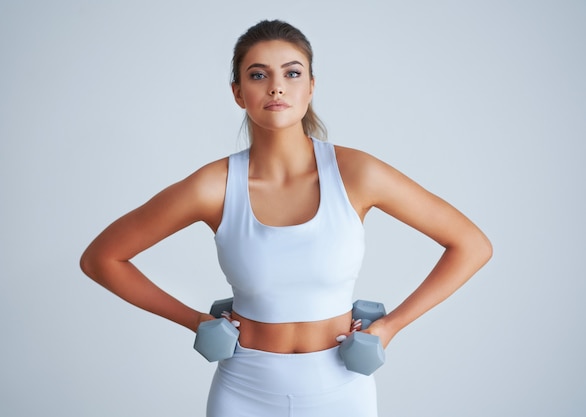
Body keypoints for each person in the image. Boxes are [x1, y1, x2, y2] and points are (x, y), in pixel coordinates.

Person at [80, 19, 492, 417]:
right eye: (258, 75)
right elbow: (102, 258)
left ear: (311, 87)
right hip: (244, 389)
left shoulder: (357, 174)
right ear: (238, 93)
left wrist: (392, 327)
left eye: (292, 73)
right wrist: (194, 322)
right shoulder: (213, 186)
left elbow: (471, 245)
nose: (276, 85)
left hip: (342, 389)